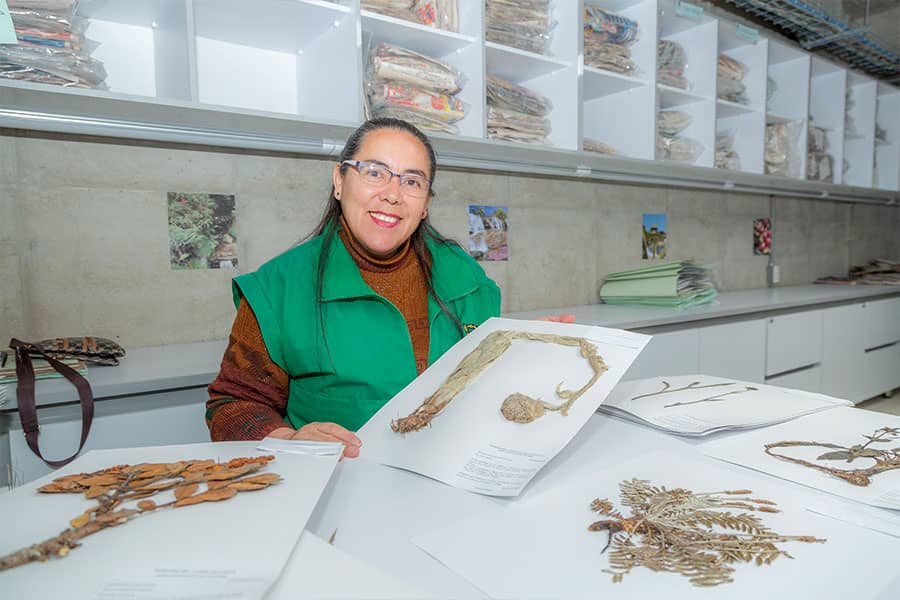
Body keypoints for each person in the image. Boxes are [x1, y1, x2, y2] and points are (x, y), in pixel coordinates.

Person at [206, 117, 573, 458]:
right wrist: (288, 440)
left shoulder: (465, 276)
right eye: (375, 172)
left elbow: (476, 387)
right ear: (339, 181)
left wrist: (521, 356)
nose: (393, 194)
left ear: (426, 203)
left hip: (450, 477)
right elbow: (232, 404)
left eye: (412, 181)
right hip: (339, 486)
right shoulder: (279, 288)